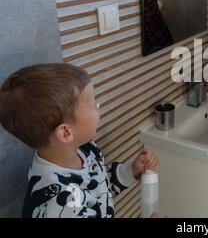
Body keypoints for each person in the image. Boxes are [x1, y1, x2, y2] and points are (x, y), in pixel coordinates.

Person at [0, 63, 160, 218]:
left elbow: (97, 187)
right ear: (66, 132)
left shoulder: (85, 148)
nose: (98, 107)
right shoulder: (61, 205)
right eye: (92, 104)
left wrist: (130, 171)